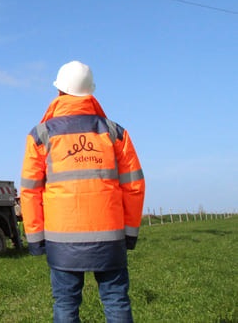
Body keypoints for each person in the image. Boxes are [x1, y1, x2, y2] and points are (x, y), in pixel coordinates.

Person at [20, 61, 145, 322]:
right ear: (90, 92)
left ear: (59, 92)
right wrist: (129, 235)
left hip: (61, 241)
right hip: (110, 239)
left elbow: (30, 192)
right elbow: (133, 186)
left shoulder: (40, 135)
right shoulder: (115, 133)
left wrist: (35, 240)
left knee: (65, 305)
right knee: (116, 301)